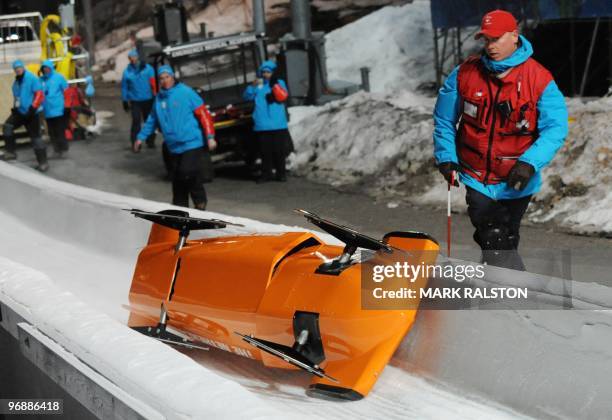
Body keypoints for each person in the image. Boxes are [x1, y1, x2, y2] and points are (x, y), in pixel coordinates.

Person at [432, 10, 568, 270]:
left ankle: (494, 286)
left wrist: (529, 163)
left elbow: (556, 128)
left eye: (497, 38)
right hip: (476, 175)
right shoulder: (464, 74)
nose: (490, 45)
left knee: (505, 238)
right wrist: (446, 157)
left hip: (517, 177)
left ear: (514, 36)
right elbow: (443, 119)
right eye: (486, 39)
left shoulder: (539, 79)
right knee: (493, 233)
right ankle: (517, 289)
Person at [134, 65, 217, 210]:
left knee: (186, 171)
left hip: (191, 142)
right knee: (178, 178)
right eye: (162, 78)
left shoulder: (186, 92)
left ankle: (200, 201)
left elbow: (203, 114)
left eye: (167, 77)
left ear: (173, 77)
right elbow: (152, 120)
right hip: (173, 145)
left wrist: (210, 136)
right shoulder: (159, 99)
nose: (165, 80)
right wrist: (140, 137)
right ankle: (180, 206)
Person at [243, 60, 290, 183]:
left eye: (268, 72)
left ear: (273, 73)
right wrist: (251, 86)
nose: (265, 74)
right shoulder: (258, 85)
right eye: (263, 72)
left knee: (279, 151)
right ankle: (266, 174)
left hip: (278, 124)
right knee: (265, 152)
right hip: (262, 125)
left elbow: (283, 97)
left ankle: (281, 174)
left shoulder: (279, 83)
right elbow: (246, 96)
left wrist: (274, 86)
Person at [2, 59, 48, 172]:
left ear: (23, 68)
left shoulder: (31, 78)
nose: (18, 70)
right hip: (21, 113)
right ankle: (11, 152)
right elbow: (17, 98)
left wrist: (33, 108)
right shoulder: (16, 83)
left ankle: (43, 163)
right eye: (16, 69)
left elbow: (39, 94)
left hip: (33, 113)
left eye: (19, 68)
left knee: (36, 138)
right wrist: (15, 109)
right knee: (7, 126)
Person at [121, 49, 157, 149]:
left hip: (148, 99)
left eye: (135, 57)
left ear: (138, 57)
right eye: (131, 57)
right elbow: (124, 86)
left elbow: (153, 83)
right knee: (136, 121)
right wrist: (124, 100)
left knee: (149, 121)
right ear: (129, 59)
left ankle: (150, 141)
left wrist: (156, 96)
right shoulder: (127, 72)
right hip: (135, 101)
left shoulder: (148, 69)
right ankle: (135, 143)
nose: (133, 59)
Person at [40, 59, 69, 158]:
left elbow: (66, 90)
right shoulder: (41, 80)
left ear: (51, 68)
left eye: (47, 68)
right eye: (44, 69)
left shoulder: (59, 77)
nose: (46, 70)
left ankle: (63, 149)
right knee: (51, 132)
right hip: (47, 110)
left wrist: (66, 105)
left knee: (59, 130)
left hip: (58, 109)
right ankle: (56, 150)